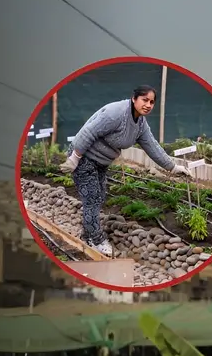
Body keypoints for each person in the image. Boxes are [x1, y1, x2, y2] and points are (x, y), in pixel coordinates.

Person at [59, 85, 192, 256]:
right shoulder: (116, 113)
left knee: (99, 197)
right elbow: (88, 132)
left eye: (152, 102)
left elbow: (153, 147)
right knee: (92, 199)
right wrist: (74, 159)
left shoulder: (140, 124)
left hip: (100, 162)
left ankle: (88, 234)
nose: (148, 105)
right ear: (134, 98)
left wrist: (173, 167)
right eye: (145, 100)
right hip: (84, 157)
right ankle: (97, 240)